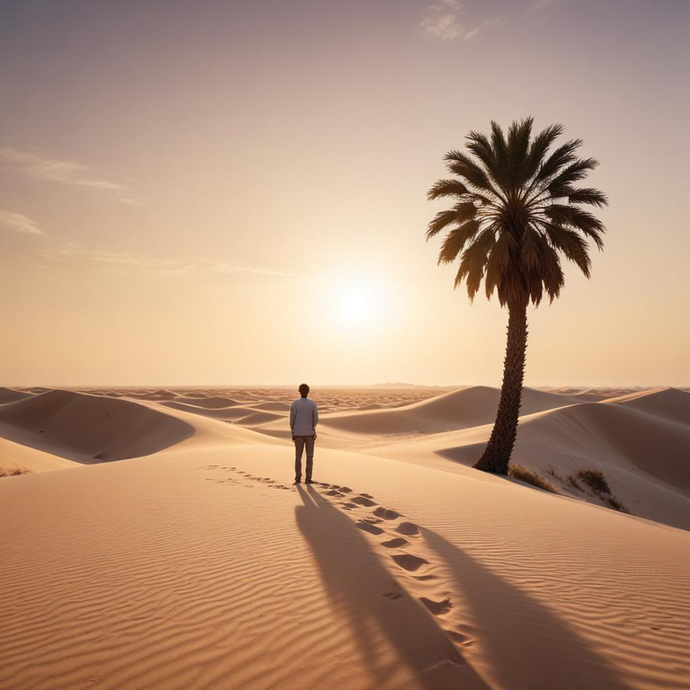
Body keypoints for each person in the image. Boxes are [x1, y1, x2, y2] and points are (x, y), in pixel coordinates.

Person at [290, 383, 318, 484]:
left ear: (299, 391)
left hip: (298, 434)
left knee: (298, 457)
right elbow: (315, 419)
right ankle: (308, 478)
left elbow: (291, 420)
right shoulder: (312, 404)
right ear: (308, 391)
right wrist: (312, 428)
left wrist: (293, 431)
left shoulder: (295, 404)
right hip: (309, 433)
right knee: (309, 457)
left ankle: (298, 478)